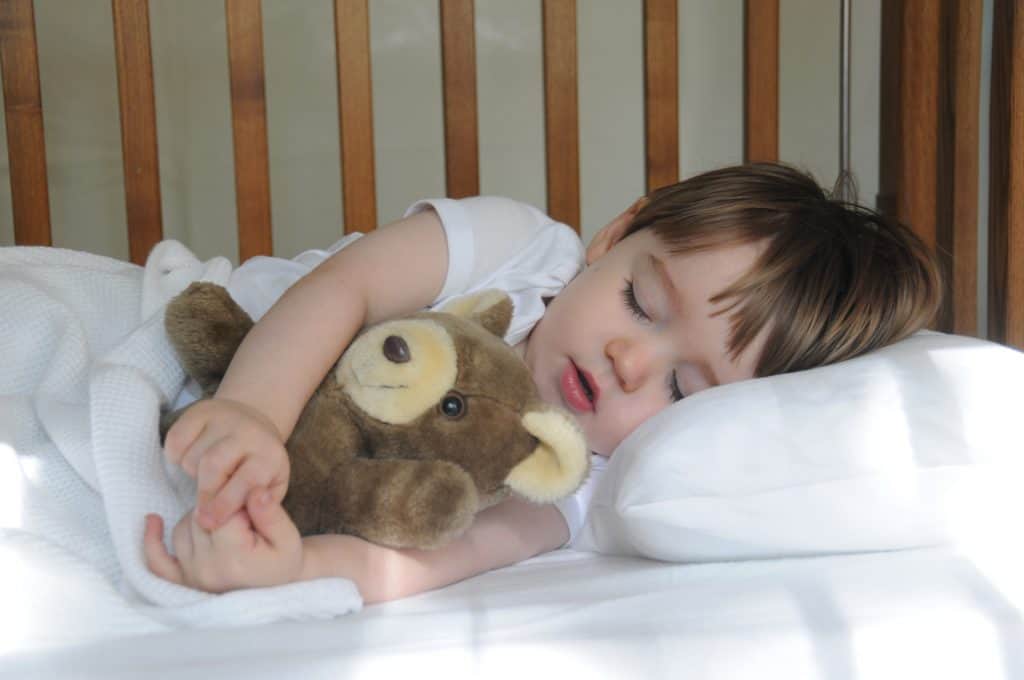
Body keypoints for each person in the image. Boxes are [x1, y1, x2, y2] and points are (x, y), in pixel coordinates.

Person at [142, 162, 942, 602]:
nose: (633, 362)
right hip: (224, 342)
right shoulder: (520, 247)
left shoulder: (576, 481)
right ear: (614, 236)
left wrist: (295, 571)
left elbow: (436, 560)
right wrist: (250, 411)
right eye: (641, 301)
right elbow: (338, 290)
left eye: (683, 392)